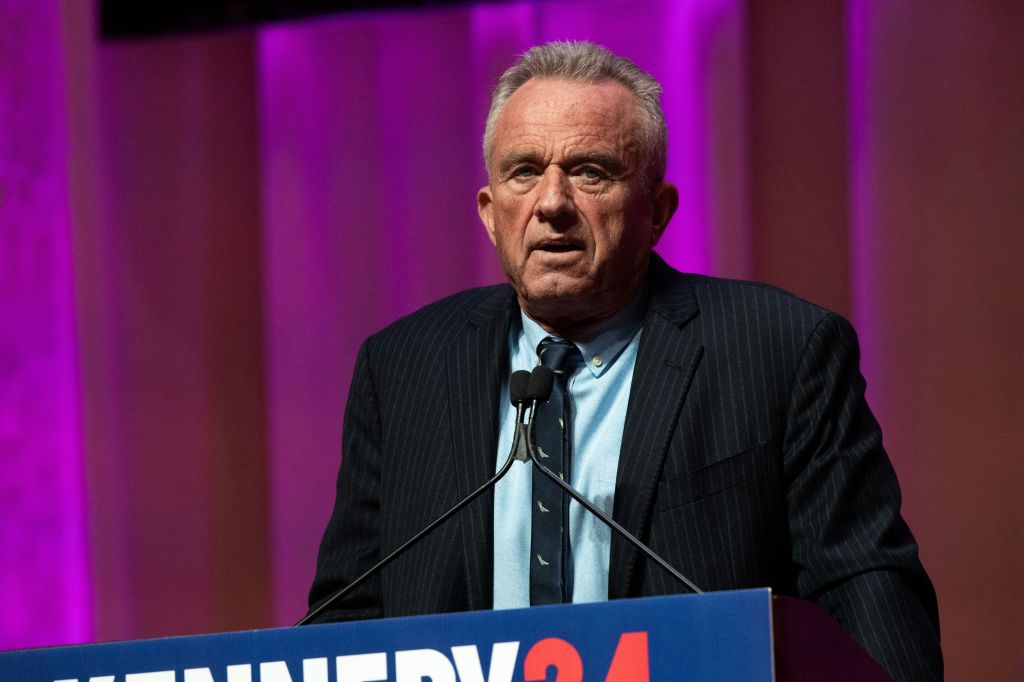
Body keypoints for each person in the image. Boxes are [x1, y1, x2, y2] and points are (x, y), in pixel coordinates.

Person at [308, 41, 942, 680]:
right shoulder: (402, 369)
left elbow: (865, 592)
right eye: (524, 171)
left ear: (656, 213)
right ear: (491, 213)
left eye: (589, 171)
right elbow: (347, 618)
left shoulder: (781, 350)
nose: (551, 203)